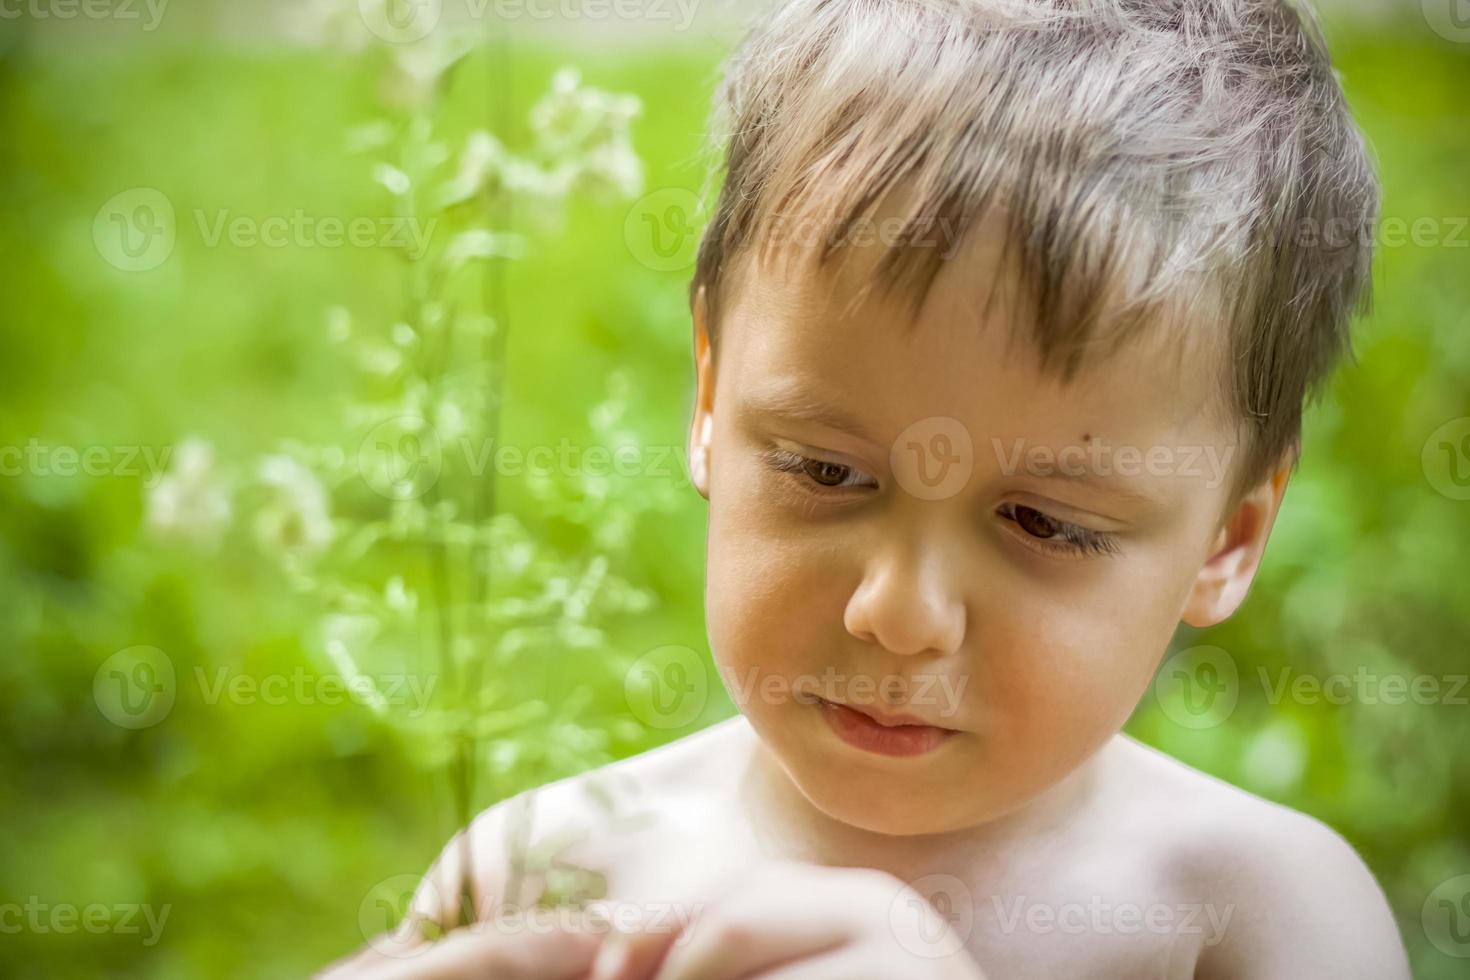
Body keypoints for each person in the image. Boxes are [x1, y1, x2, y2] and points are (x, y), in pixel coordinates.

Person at [323, 1, 1409, 976]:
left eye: (1045, 521)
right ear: (710, 400)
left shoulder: (1252, 918)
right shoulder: (549, 871)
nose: (897, 610)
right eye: (824, 468)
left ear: (1228, 536)